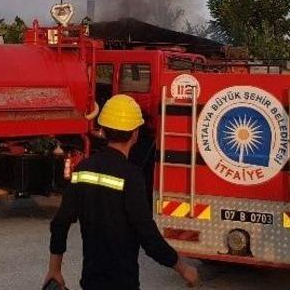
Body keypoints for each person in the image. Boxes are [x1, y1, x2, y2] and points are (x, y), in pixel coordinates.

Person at [46, 94, 199, 289]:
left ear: (103, 131)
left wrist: (54, 270)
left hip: (91, 282)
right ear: (135, 134)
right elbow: (148, 236)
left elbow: (60, 223)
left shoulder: (83, 169)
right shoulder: (131, 176)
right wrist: (183, 268)